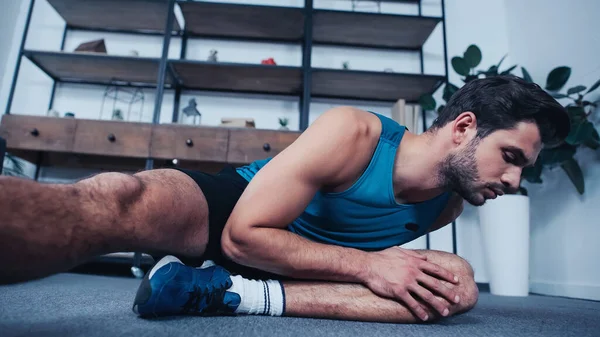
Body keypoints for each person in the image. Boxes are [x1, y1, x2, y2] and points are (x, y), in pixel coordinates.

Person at [0, 75, 568, 324]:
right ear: (465, 127)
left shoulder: (448, 202)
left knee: (457, 284)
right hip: (232, 214)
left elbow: (381, 273)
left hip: (293, 272)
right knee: (119, 197)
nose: (515, 182)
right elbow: (242, 235)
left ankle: (226, 297)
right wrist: (370, 267)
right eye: (512, 158)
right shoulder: (354, 132)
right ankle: (212, 278)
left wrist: (371, 271)